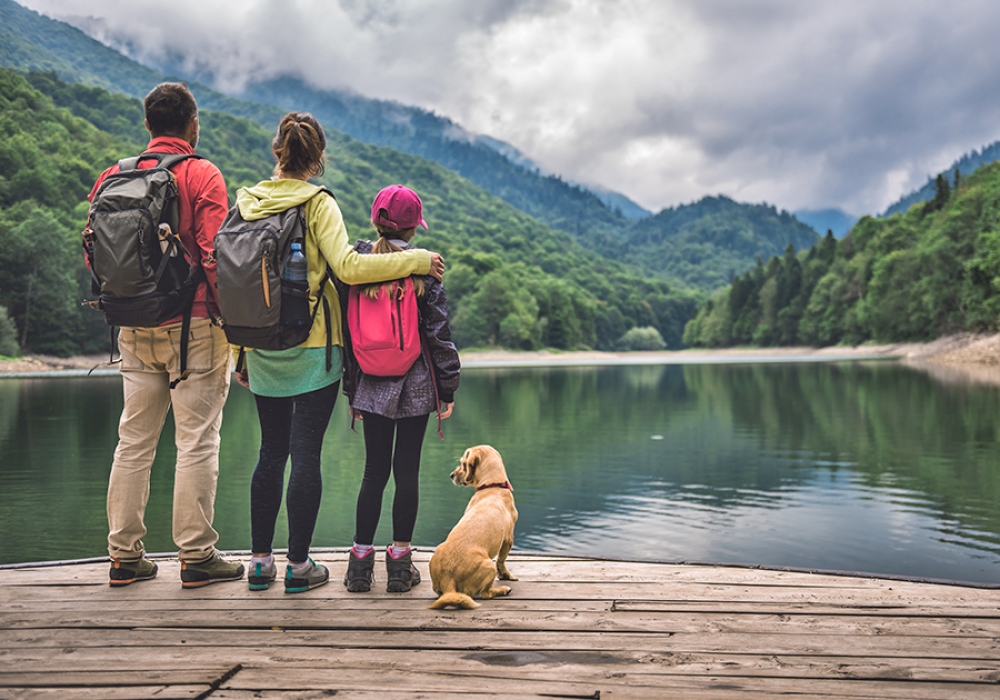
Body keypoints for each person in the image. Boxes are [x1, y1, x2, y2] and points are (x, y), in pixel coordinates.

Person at [236, 113, 446, 594]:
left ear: (277, 152)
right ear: (319, 159)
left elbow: (236, 279)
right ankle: (298, 567)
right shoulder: (317, 202)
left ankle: (260, 564)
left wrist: (238, 354)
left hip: (260, 347)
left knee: (270, 452)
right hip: (313, 349)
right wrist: (418, 260)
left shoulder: (248, 202)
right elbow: (349, 269)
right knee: (305, 452)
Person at [87, 82, 244, 588]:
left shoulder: (113, 177)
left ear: (149, 125)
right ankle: (196, 556)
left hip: (132, 325)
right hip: (195, 324)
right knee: (196, 441)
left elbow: (94, 251)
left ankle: (124, 557)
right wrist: (230, 321)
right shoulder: (202, 173)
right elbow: (214, 256)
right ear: (192, 126)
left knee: (133, 441)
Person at [343, 185, 460, 594]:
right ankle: (399, 565)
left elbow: (348, 334)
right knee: (406, 471)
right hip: (414, 383)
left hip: (371, 382)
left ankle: (359, 566)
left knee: (373, 471)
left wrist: (350, 389)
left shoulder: (356, 266)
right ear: (413, 230)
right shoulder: (426, 272)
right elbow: (439, 335)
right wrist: (447, 387)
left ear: (375, 220)